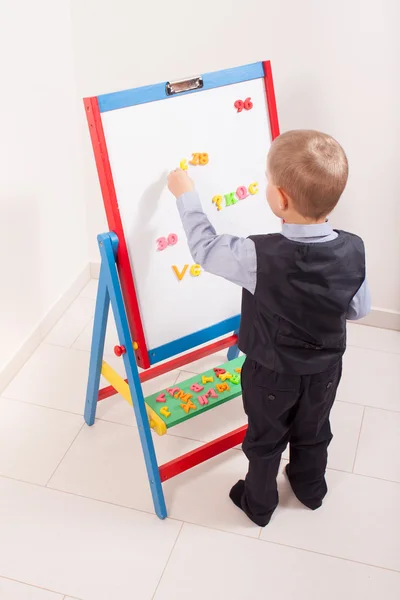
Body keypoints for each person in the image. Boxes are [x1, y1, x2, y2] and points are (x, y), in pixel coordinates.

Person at [167, 130, 370, 527]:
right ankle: (310, 488)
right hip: (325, 371)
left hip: (271, 373)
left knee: (265, 439)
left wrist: (185, 194)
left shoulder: (256, 254)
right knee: (314, 429)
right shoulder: (354, 247)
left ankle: (259, 504)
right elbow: (357, 310)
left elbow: (205, 249)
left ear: (280, 199)